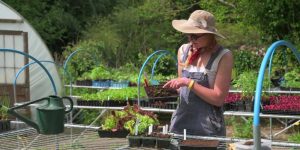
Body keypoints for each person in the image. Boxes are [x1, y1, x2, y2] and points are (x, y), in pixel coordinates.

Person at [163, 9, 233, 143]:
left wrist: (190, 83)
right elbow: (181, 90)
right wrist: (169, 89)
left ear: (210, 35)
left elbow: (218, 98)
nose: (191, 40)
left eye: (195, 36)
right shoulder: (183, 51)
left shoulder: (223, 56)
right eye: (188, 35)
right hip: (181, 124)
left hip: (208, 128)